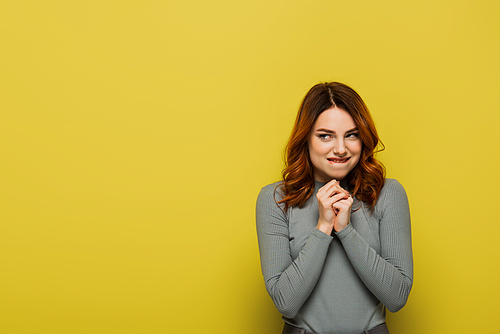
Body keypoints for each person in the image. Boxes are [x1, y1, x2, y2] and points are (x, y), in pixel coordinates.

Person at [256, 82, 413, 334]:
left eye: (351, 135)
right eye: (325, 135)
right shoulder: (276, 199)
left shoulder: (388, 194)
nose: (341, 149)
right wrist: (323, 227)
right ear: (306, 139)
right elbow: (286, 302)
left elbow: (397, 297)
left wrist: (346, 230)